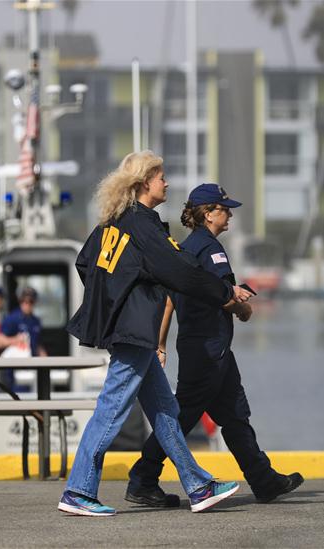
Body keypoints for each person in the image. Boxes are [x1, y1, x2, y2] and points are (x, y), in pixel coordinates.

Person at [60, 150, 253, 516]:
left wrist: (117, 297)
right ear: (144, 182)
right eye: (161, 177)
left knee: (166, 411)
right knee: (111, 410)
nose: (166, 183)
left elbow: (85, 263)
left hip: (134, 331)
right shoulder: (143, 225)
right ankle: (78, 490)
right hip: (133, 332)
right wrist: (225, 293)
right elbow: (181, 272)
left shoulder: (114, 222)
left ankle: (198, 486)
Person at [127, 183, 303, 507]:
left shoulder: (182, 250)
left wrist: (161, 343)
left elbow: (168, 302)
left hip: (198, 346)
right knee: (182, 417)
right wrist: (244, 308)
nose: (230, 215)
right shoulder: (211, 250)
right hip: (210, 349)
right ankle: (142, 478)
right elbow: (224, 298)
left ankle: (263, 480)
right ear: (208, 214)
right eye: (224, 209)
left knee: (235, 415)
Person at [0, 286, 47, 361]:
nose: (27, 304)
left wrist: (45, 358)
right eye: (23, 301)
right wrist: (15, 340)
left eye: (31, 301)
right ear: (20, 301)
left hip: (31, 363)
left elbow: (37, 344)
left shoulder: (36, 321)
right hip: (14, 364)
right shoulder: (12, 318)